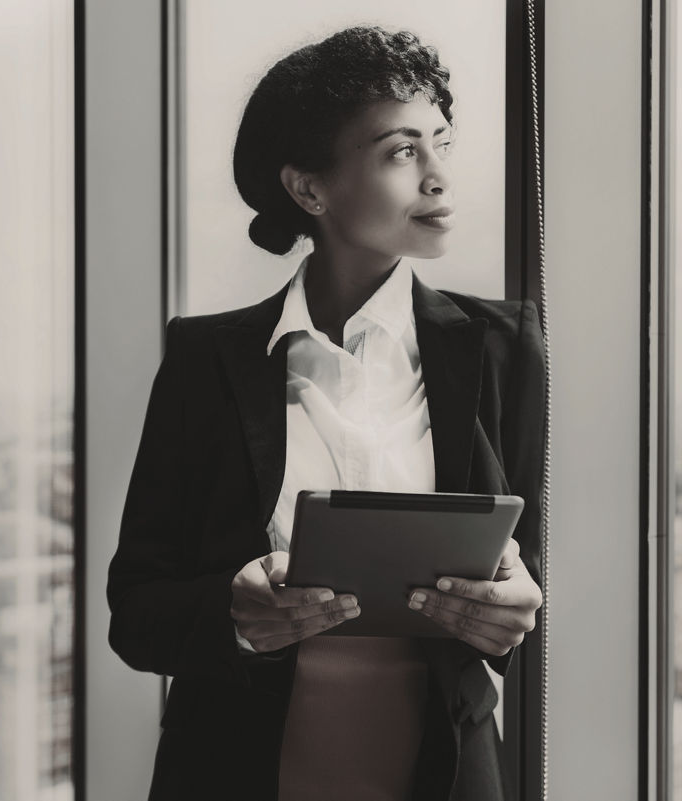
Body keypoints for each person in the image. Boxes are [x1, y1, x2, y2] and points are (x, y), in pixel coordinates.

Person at [106, 25, 547, 801]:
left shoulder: (502, 347)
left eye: (441, 143)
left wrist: (515, 608)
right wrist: (237, 614)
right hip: (235, 773)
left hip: (445, 775)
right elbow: (137, 611)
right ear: (310, 189)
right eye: (402, 151)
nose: (439, 177)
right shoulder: (207, 360)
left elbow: (534, 572)